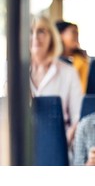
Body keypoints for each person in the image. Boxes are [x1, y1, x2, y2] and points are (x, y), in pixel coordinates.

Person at [30, 15, 84, 145]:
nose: (35, 37)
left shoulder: (68, 72)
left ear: (52, 37)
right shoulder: (13, 72)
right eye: (30, 31)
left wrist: (62, 142)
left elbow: (78, 117)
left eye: (41, 31)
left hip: (60, 142)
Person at [55, 20, 90, 93]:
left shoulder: (83, 61)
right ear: (60, 35)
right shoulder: (51, 60)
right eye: (73, 32)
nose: (77, 36)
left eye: (77, 33)